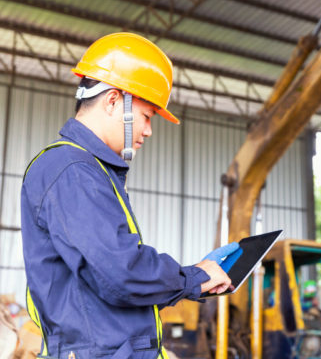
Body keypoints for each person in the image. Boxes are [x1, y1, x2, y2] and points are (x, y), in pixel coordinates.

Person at [20, 32, 241, 359]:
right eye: (147, 116)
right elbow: (121, 272)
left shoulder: (88, 170)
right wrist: (194, 276)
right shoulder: (72, 169)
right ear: (113, 101)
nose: (149, 130)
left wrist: (195, 279)